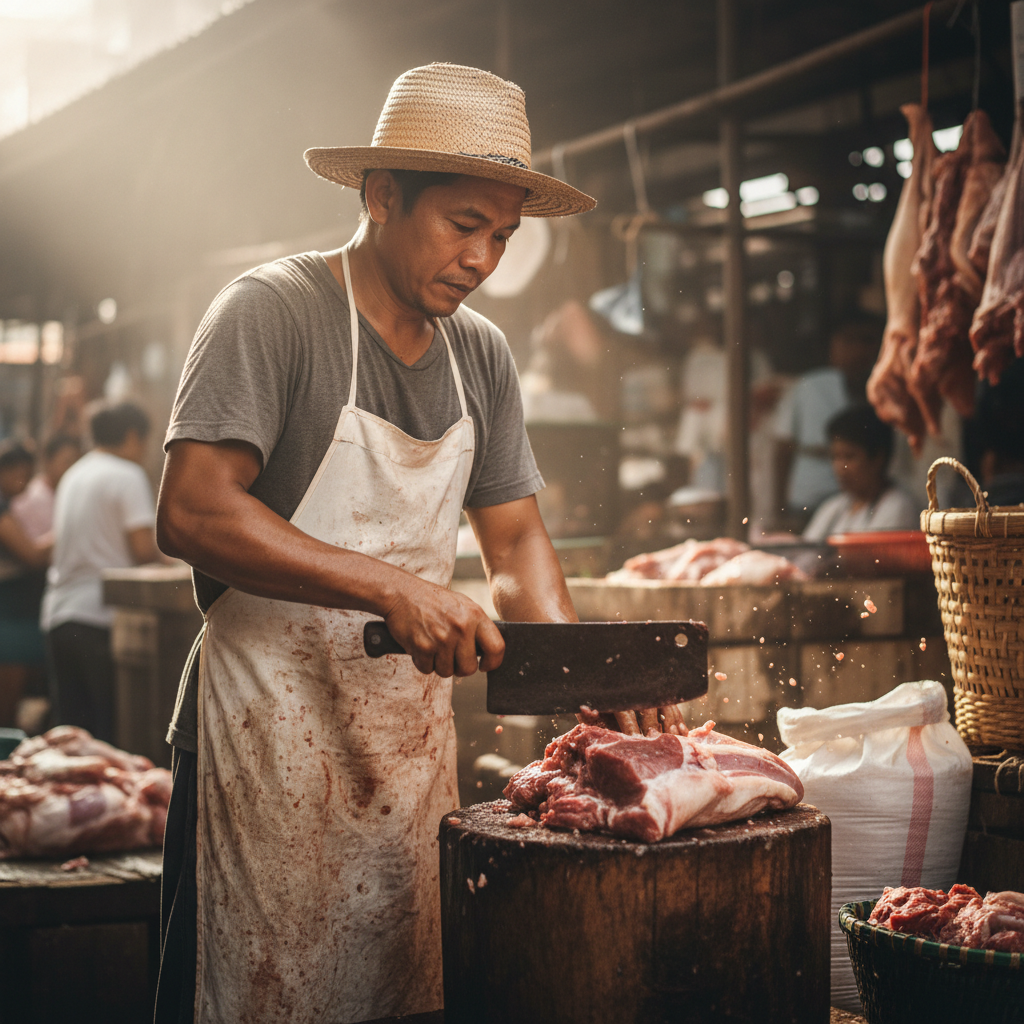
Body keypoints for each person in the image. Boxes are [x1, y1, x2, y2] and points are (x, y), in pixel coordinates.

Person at [152, 63, 596, 1024]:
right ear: (382, 193)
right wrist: (389, 588)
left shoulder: (481, 354)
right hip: (260, 736)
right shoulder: (273, 312)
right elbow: (192, 510)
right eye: (464, 223)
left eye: (504, 236)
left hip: (401, 751)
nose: (484, 258)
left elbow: (515, 544)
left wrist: (582, 695)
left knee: (403, 994)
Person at [41, 402, 162, 742]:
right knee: (109, 737)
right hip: (100, 619)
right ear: (132, 435)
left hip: (58, 615)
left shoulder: (74, 474)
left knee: (72, 738)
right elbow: (142, 550)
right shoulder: (127, 474)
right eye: (144, 441)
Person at [773, 317, 882, 524]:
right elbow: (782, 448)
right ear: (832, 345)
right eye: (849, 341)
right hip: (808, 496)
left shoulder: (882, 386)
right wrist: (779, 509)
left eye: (867, 341)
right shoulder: (808, 386)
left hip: (859, 501)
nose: (859, 349)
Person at [803, 405, 920, 541]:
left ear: (878, 458)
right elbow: (806, 551)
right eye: (835, 457)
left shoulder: (898, 507)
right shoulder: (834, 507)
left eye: (849, 456)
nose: (840, 467)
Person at [0, 441, 51, 725]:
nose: (28, 483)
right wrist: (67, 530)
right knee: (6, 709)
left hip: (14, 615)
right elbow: (30, 554)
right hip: (9, 616)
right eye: (26, 475)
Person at [10, 434, 81, 541]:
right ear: (48, 461)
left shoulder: (74, 493)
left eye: (76, 463)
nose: (73, 468)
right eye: (67, 462)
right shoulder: (29, 499)